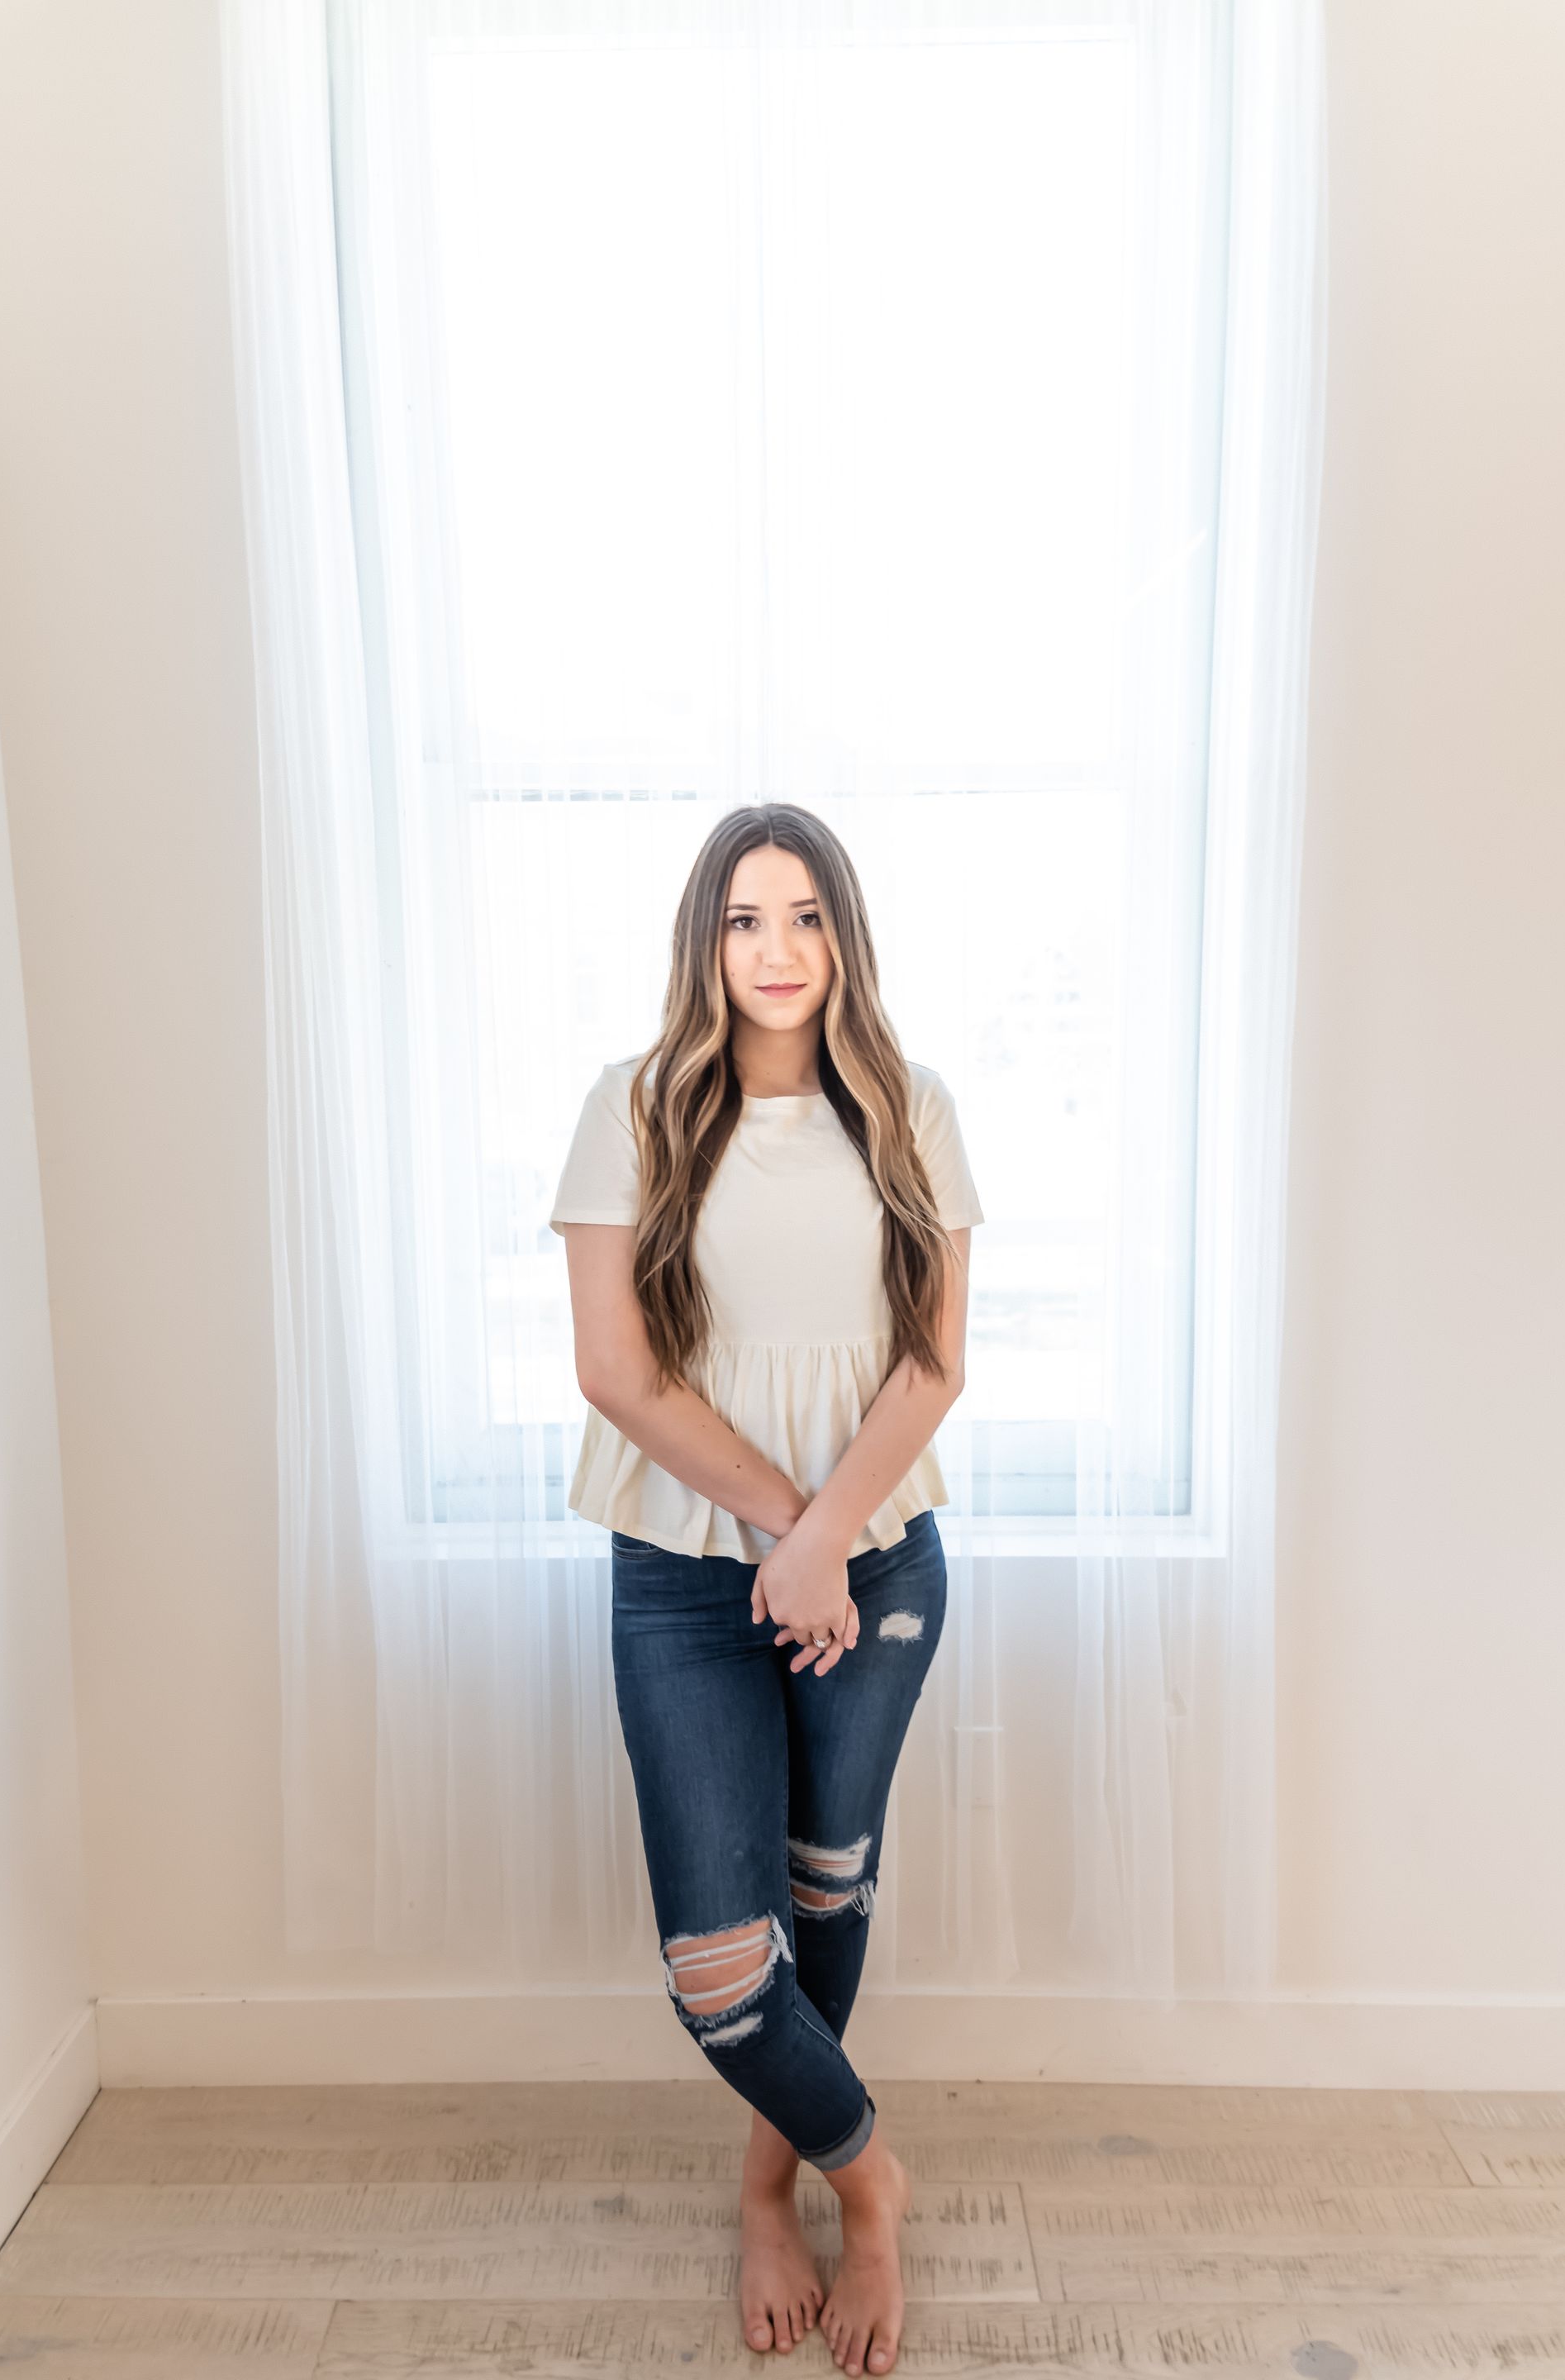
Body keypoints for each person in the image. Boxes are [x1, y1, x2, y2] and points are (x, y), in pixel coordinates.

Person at [549, 802, 982, 2376]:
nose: (777, 951)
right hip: (682, 1576)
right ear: (704, 941)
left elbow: (935, 1364)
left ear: (843, 937)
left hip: (882, 1567)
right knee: (719, 1968)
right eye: (745, 920)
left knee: (822, 1890)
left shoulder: (912, 1109)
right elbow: (614, 1368)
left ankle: (767, 2186)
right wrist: (783, 1532)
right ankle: (871, 2176)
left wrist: (828, 1541)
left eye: (805, 917)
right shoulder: (636, 1105)